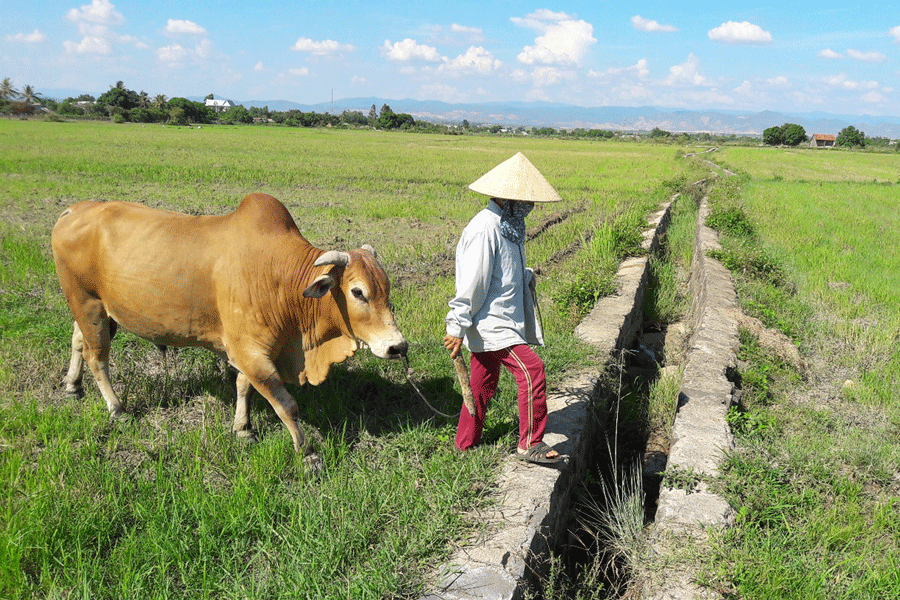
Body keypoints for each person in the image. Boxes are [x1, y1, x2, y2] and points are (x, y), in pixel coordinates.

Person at [443, 152, 565, 465]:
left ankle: (464, 445)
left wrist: (525, 276)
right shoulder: (486, 229)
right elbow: (473, 283)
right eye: (525, 199)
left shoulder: (509, 226)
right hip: (492, 323)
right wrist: (456, 326)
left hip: (504, 319)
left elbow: (502, 273)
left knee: (481, 387)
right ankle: (529, 444)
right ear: (507, 197)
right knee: (532, 370)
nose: (530, 206)